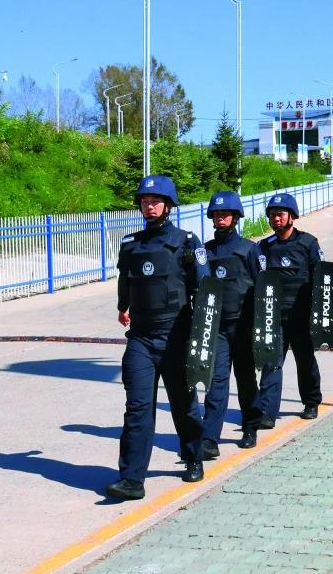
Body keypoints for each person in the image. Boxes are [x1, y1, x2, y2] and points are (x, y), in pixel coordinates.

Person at [105, 175, 210, 501]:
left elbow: (205, 288)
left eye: (155, 201)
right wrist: (123, 306)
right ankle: (132, 479)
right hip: (141, 339)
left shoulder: (187, 242)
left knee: (183, 405)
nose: (149, 206)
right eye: (145, 201)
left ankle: (193, 455)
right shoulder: (130, 244)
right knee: (137, 408)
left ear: (168, 205)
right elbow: (125, 280)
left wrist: (201, 334)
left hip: (176, 337)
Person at [202, 191, 264, 458]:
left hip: (243, 325)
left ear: (236, 217)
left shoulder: (249, 249)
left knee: (246, 379)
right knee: (216, 381)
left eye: (225, 214)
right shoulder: (206, 251)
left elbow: (264, 287)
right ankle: (209, 438)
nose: (220, 218)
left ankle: (250, 427)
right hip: (216, 327)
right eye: (217, 214)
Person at [256, 192, 323, 427]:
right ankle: (267, 412)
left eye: (281, 214)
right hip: (273, 317)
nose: (276, 218)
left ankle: (311, 402)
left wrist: (319, 316)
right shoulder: (264, 247)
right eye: (273, 215)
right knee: (271, 363)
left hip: (301, 316)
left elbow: (322, 279)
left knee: (305, 361)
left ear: (292, 216)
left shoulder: (308, 243)